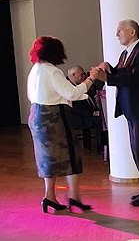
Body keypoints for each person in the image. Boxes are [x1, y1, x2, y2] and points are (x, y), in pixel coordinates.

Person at [94, 20, 139, 207]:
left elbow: (134, 78)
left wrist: (107, 78)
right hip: (132, 110)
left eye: (120, 31)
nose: (117, 34)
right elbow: (121, 73)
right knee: (137, 150)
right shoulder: (126, 53)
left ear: (132, 32)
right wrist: (108, 67)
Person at [27, 37, 100, 213]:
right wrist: (91, 79)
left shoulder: (35, 69)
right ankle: (74, 197)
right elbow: (71, 93)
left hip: (36, 115)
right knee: (71, 155)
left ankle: (49, 196)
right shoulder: (52, 71)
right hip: (53, 117)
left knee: (47, 158)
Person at [67, 65, 104, 151]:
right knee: (100, 120)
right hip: (78, 118)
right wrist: (93, 113)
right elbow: (77, 107)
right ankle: (101, 148)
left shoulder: (78, 85)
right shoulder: (70, 89)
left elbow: (88, 94)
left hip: (85, 114)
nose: (84, 76)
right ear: (73, 75)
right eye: (81, 74)